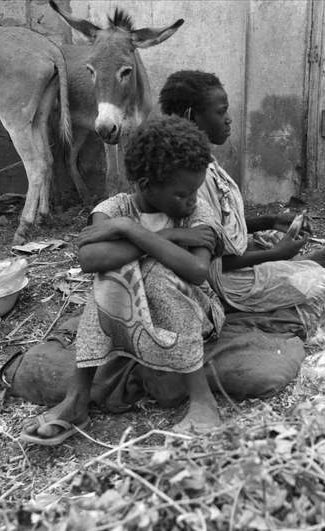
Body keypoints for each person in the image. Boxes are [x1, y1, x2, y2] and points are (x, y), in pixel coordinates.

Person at [20, 116, 225, 444]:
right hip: (131, 321)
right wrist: (170, 236)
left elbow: (197, 271)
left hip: (200, 316)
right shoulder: (113, 209)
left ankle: (203, 400)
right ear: (145, 183)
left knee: (156, 275)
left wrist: (132, 231)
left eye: (194, 192)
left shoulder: (196, 214)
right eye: (181, 194)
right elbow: (91, 260)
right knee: (112, 276)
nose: (190, 200)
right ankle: (76, 399)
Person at [158, 70, 325, 331]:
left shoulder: (204, 163)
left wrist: (270, 221)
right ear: (192, 117)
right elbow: (213, 264)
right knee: (323, 283)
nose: (228, 120)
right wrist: (276, 255)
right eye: (220, 112)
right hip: (228, 284)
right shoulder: (194, 179)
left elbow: (221, 228)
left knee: (287, 253)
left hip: (230, 268)